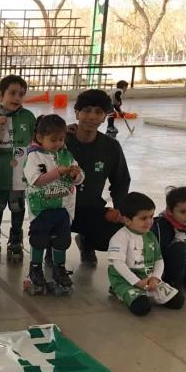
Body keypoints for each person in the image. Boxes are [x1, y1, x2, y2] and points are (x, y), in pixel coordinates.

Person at [65, 89, 131, 266]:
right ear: (77, 113)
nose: (92, 117)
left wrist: (121, 211)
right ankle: (53, 247)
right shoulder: (60, 142)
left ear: (105, 117)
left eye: (98, 112)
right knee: (48, 228)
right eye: (86, 110)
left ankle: (87, 242)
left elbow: (121, 181)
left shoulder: (111, 147)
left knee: (120, 231)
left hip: (91, 209)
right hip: (59, 208)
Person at [23, 115, 84, 292]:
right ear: (40, 138)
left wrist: (75, 176)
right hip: (41, 208)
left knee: (62, 240)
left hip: (63, 208)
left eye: (61, 139)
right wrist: (57, 172)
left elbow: (80, 178)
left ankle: (59, 268)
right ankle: (35, 268)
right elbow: (37, 181)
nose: (57, 143)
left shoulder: (66, 155)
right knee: (39, 239)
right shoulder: (33, 157)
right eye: (53, 139)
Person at [0, 74, 36, 261]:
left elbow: (38, 141)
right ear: (0, 94)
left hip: (21, 175)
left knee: (17, 206)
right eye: (12, 93)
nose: (17, 98)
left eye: (21, 94)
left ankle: (16, 237)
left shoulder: (28, 117)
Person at [108, 192, 185, 316]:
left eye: (151, 216)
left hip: (148, 277)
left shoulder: (150, 236)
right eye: (143, 218)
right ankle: (118, 289)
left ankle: (144, 292)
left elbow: (158, 259)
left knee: (178, 301)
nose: (149, 222)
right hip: (125, 280)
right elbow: (118, 264)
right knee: (142, 308)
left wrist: (155, 277)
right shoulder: (120, 238)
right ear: (127, 220)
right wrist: (136, 282)